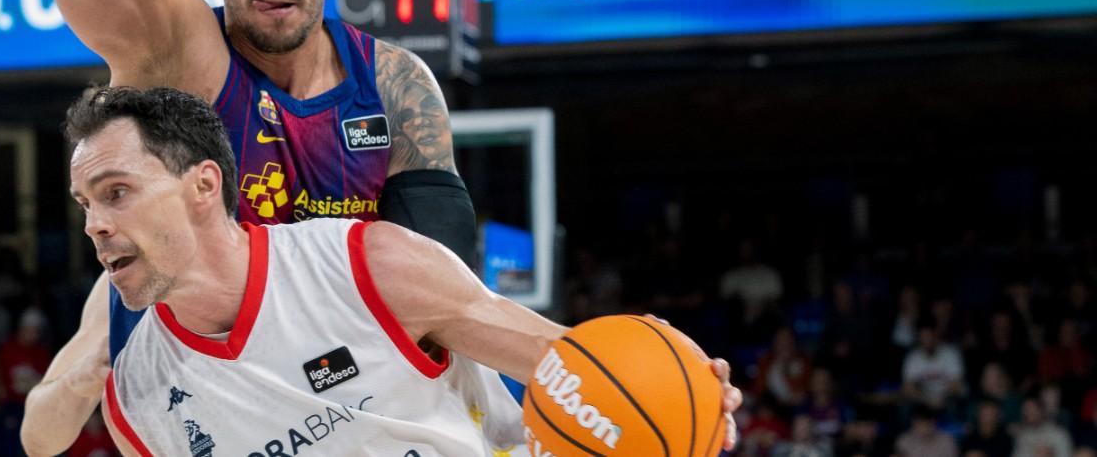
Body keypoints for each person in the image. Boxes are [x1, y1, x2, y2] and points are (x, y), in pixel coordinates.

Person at [22, 0, 475, 450]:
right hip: (209, 408)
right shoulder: (175, 55)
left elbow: (443, 292)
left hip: (362, 406)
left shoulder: (396, 85)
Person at [66, 85, 743, 455]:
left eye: (117, 192)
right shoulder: (138, 400)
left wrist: (677, 389)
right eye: (86, 202)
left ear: (203, 185)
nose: (95, 221)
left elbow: (563, 363)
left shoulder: (368, 264)